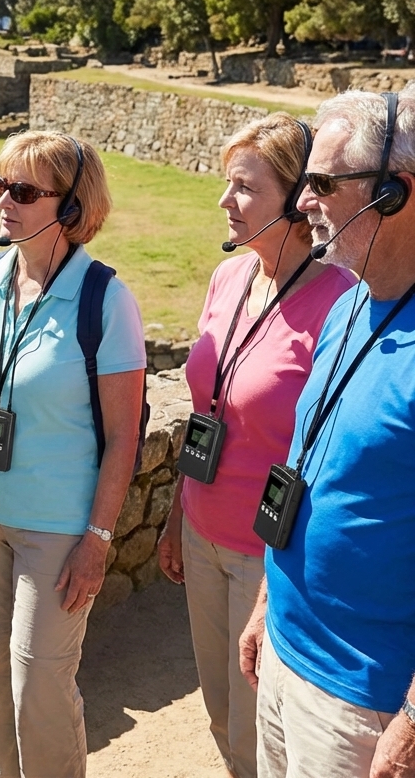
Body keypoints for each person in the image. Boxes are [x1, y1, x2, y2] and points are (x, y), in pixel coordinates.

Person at [0, 130, 147, 778]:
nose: (4, 201)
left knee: (39, 688)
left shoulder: (105, 300)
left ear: (72, 209)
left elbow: (125, 435)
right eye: (0, 185)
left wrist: (98, 540)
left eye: (22, 191)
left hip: (56, 531)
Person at [155, 113, 355, 778]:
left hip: (272, 559)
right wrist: (177, 514)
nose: (224, 201)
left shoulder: (342, 303)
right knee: (221, 715)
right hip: (202, 534)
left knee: (262, 732)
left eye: (244, 187)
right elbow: (208, 411)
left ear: (299, 200)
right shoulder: (229, 279)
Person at [239, 88, 415, 778]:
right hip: (287, 654)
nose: (303, 201)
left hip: (363, 702)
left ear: (394, 194)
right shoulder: (348, 302)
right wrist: (265, 605)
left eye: (320, 184)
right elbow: (306, 468)